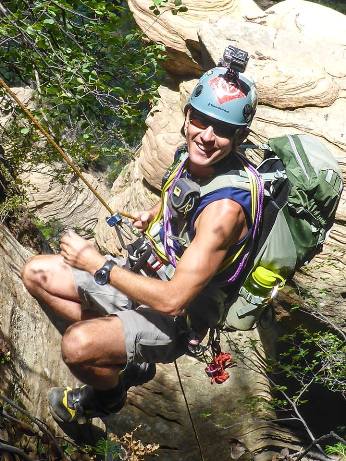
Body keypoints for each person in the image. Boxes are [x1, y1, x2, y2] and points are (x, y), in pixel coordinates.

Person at [21, 64, 259, 424]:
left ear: (239, 137)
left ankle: (108, 395)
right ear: (188, 116)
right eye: (201, 120)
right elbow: (181, 196)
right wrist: (155, 213)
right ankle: (126, 357)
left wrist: (97, 264)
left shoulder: (224, 212)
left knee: (77, 345)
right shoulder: (189, 157)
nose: (207, 136)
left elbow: (172, 300)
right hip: (145, 276)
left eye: (223, 130)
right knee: (37, 273)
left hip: (175, 317)